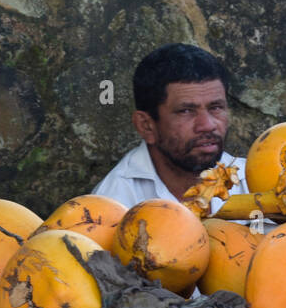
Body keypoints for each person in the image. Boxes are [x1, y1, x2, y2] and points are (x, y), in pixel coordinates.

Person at [91, 43, 251, 212]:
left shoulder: (256, 181)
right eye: (186, 111)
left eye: (216, 107)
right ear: (146, 126)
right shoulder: (113, 205)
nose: (207, 125)